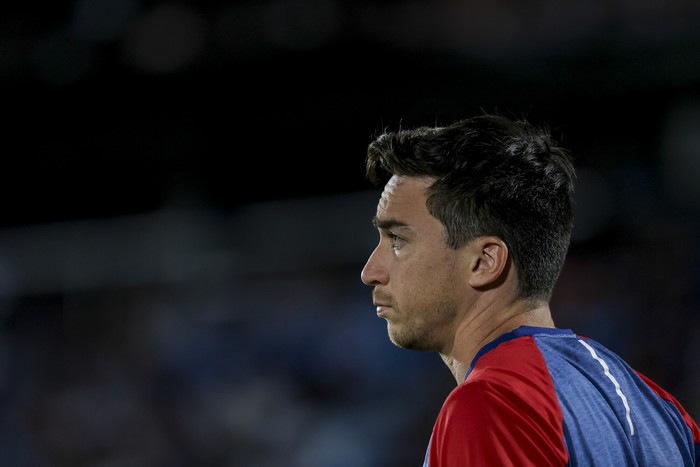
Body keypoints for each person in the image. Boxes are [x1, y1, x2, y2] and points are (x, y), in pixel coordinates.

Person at [359, 112, 700, 466]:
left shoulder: (492, 403)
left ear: (485, 261)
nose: (371, 271)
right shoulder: (663, 412)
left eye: (397, 239)